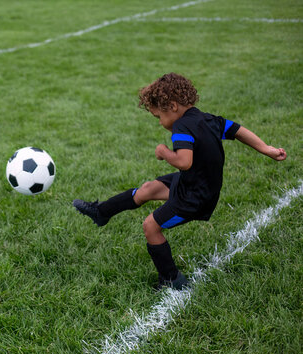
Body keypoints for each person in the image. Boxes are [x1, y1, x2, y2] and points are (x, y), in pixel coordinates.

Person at [73, 73, 287, 290]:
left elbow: (184, 162)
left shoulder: (181, 128)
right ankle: (101, 212)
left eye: (159, 117)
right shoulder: (209, 119)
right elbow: (238, 131)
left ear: (173, 106)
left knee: (150, 226)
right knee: (148, 189)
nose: (160, 123)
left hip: (195, 195)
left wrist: (164, 152)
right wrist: (266, 149)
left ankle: (171, 279)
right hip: (193, 182)